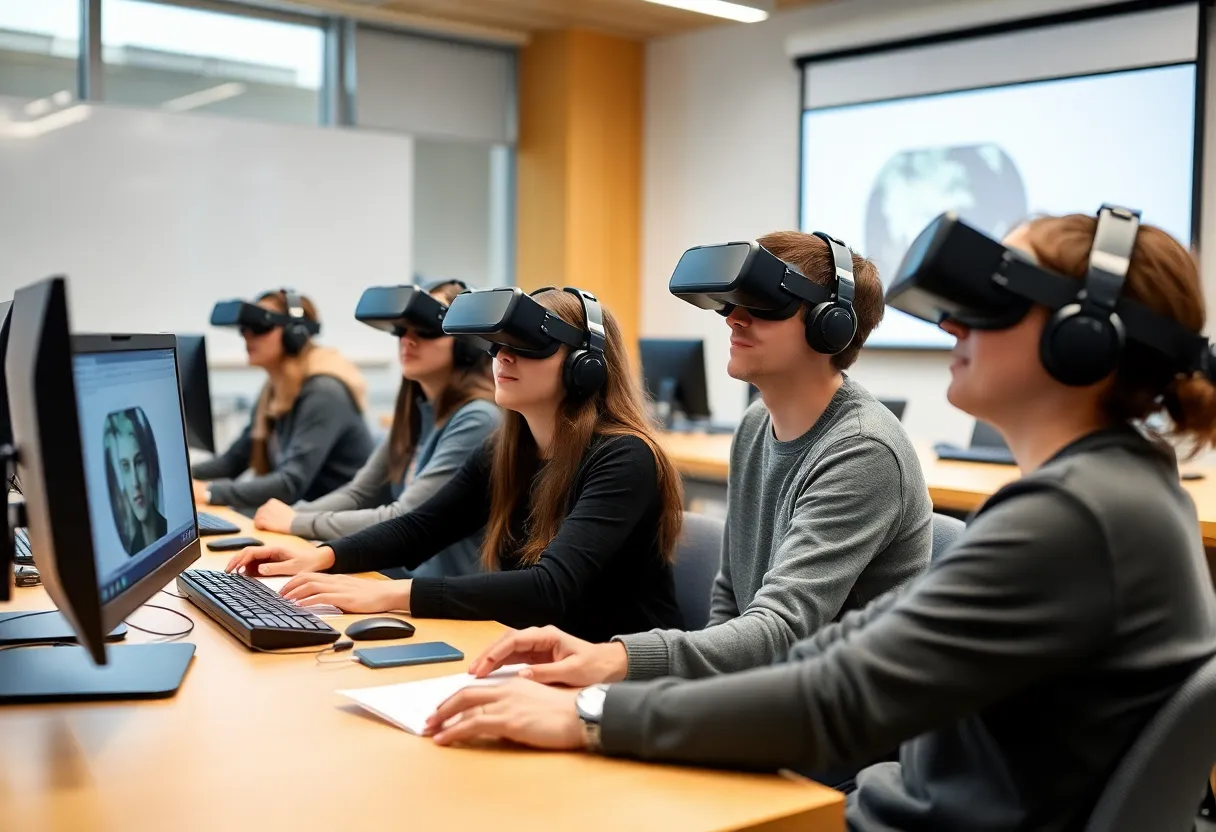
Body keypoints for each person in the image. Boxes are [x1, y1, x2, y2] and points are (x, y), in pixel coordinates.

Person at [425, 209, 1216, 832]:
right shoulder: (1110, 495)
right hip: (904, 796)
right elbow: (842, 654)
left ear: (1087, 339)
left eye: (994, 301)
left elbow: (840, 692)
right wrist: (616, 676)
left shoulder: (1076, 518)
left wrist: (593, 708)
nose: (951, 323)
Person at [481, 231, 930, 688]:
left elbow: (781, 627)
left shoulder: (862, 451)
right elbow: (731, 594)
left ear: (829, 324)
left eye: (761, 306)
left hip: (838, 718)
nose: (733, 318)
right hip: (769, 694)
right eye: (732, 303)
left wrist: (615, 659)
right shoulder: (756, 426)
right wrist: (695, 694)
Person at [227, 287, 686, 642]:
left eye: (527, 346)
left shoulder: (624, 457)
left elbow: (550, 589)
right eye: (499, 344)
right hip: (529, 656)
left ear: (585, 365)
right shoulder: (505, 449)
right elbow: (420, 528)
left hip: (614, 677)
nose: (503, 356)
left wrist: (390, 595)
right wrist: (320, 557)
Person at [252, 281, 500, 580]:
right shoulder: (417, 411)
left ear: (466, 344)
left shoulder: (478, 419)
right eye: (401, 330)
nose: (407, 340)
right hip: (396, 579)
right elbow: (360, 494)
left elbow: (405, 516)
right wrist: (293, 515)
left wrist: (297, 523)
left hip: (444, 594)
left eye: (425, 330)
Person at [191, 290, 374, 510]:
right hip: (302, 513)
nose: (247, 336)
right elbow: (234, 461)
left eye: (259, 327)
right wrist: (179, 480)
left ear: (294, 334)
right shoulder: (273, 391)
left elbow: (290, 483)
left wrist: (210, 492)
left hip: (337, 524)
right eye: (244, 329)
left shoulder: (323, 392)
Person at [104, 406, 167, 555]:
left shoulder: (168, 532)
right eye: (125, 467)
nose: (135, 482)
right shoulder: (133, 549)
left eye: (139, 462)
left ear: (151, 465)